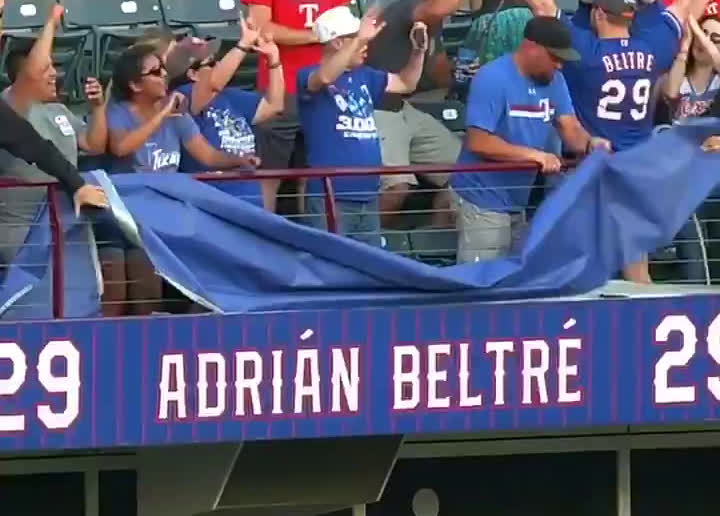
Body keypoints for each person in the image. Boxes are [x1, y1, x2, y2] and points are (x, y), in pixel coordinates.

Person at [525, 0, 707, 283]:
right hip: (636, 173)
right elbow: (686, 6)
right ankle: (645, 323)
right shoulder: (653, 46)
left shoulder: (585, 52)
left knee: (576, 270)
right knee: (637, 272)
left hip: (593, 173)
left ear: (598, 13)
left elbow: (542, 6)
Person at [101, 44, 258, 317]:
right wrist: (162, 114)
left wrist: (238, 160)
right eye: (154, 71)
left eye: (163, 69)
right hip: (123, 218)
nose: (164, 75)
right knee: (117, 298)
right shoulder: (119, 111)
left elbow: (206, 155)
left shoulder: (177, 112)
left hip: (160, 218)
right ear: (135, 85)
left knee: (150, 295)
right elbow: (121, 147)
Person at [452, 16, 611, 263]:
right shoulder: (492, 77)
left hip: (517, 201)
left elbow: (569, 126)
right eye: (555, 57)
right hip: (482, 199)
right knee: (479, 285)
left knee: (512, 282)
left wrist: (591, 144)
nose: (559, 65)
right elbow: (478, 141)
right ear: (530, 47)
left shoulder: (555, 81)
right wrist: (534, 155)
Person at [297, 6, 427, 246]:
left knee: (371, 266)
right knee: (332, 268)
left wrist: (418, 52)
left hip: (368, 195)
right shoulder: (307, 75)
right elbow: (324, 79)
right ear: (337, 43)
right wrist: (360, 38)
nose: (366, 44)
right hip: (331, 196)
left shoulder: (365, 75)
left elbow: (406, 83)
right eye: (356, 38)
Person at [0, 3, 107, 266]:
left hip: (65, 220)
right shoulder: (12, 104)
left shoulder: (59, 110)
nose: (53, 74)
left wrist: (98, 108)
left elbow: (93, 145)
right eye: (46, 68)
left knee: (73, 299)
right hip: (22, 231)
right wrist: (50, 23)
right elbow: (34, 72)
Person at [166, 18, 285, 210]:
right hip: (214, 204)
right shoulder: (183, 97)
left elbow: (274, 105)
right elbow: (213, 85)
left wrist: (274, 60)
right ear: (192, 75)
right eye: (212, 63)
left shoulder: (230, 96)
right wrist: (243, 45)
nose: (220, 64)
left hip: (250, 201)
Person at [364, 0, 462, 230]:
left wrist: (464, 76)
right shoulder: (404, 5)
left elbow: (439, 70)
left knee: (467, 174)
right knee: (396, 189)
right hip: (377, 107)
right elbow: (434, 9)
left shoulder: (433, 23)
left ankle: (433, 248)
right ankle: (364, 245)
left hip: (404, 108)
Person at [247, 0, 349, 216]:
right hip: (280, 90)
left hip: (324, 89)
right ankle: (262, 236)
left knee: (313, 174)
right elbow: (260, 29)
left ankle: (312, 237)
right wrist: (317, 36)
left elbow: (345, 28)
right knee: (268, 174)